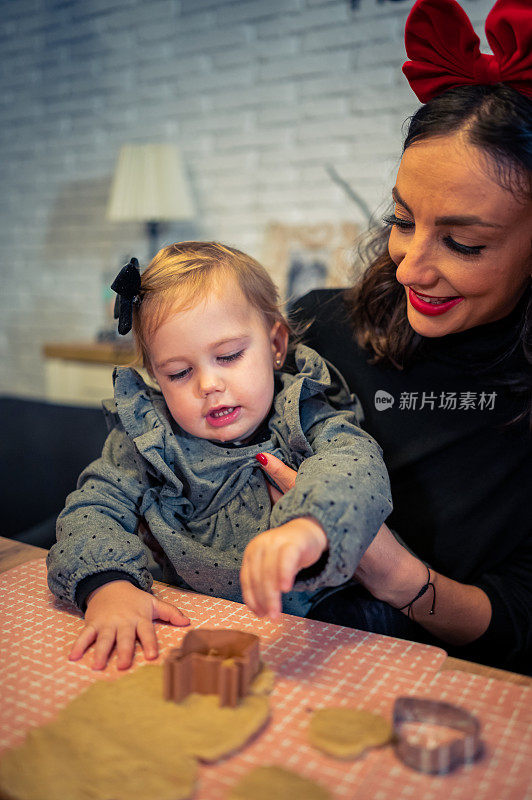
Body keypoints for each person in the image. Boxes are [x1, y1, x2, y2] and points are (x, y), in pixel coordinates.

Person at [256, 0, 532, 674]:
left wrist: (390, 569)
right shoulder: (320, 327)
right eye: (404, 219)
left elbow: (520, 626)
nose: (409, 266)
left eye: (463, 242)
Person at [46, 241, 392, 670]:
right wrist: (108, 586)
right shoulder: (149, 441)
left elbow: (356, 466)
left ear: (276, 345)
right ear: (156, 378)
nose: (208, 384)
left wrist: (310, 522)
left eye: (228, 356)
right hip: (189, 623)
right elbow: (91, 510)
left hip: (313, 625)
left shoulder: (307, 414)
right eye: (179, 372)